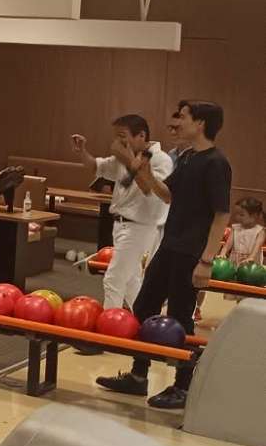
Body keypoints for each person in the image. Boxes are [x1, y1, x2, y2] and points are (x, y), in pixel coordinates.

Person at [98, 100, 232, 411]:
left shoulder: (216, 163)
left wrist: (206, 260)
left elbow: (222, 214)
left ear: (200, 124)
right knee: (144, 306)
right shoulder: (186, 158)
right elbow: (165, 194)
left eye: (183, 117)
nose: (177, 123)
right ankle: (138, 376)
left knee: (181, 317)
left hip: (191, 252)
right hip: (170, 245)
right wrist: (141, 170)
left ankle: (183, 386)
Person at [68, 114, 171, 309]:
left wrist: (127, 159)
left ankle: (110, 325)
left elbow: (150, 190)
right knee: (131, 281)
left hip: (140, 227)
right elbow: (97, 167)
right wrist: (82, 152)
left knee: (113, 279)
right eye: (116, 136)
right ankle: (142, 318)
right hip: (120, 224)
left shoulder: (160, 159)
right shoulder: (125, 157)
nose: (118, 142)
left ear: (141, 136)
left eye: (122, 136)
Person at [221, 197, 265, 267]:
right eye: (236, 214)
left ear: (254, 216)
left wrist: (251, 257)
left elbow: (257, 247)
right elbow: (227, 245)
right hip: (234, 261)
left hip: (250, 264)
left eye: (241, 215)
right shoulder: (235, 228)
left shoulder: (260, 231)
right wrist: (223, 253)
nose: (237, 217)